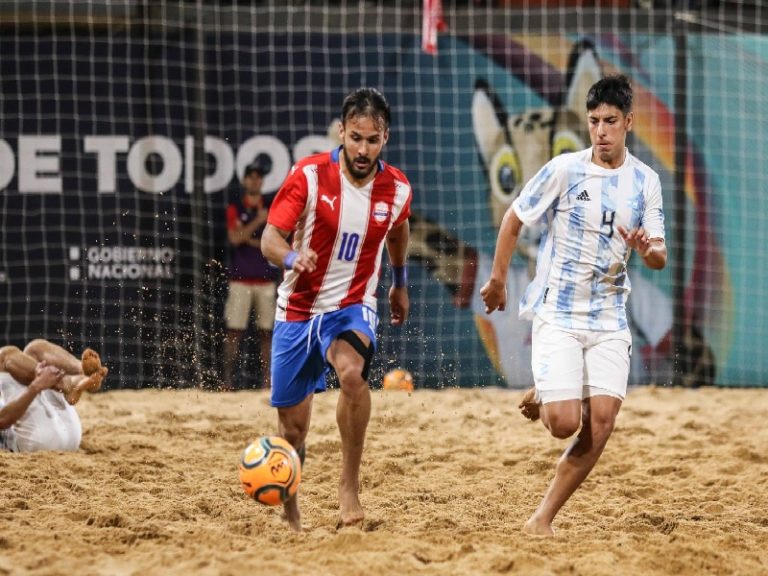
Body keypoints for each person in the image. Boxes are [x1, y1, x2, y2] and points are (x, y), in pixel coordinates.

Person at [480, 74, 667, 536]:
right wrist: (499, 279)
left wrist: (647, 250)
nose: (600, 130)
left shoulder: (646, 182)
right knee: (563, 425)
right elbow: (514, 218)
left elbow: (660, 257)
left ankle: (542, 519)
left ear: (628, 122)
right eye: (593, 122)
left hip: (608, 318)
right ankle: (550, 392)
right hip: (559, 313)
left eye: (609, 121)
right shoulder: (565, 169)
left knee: (600, 424)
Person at [261, 87, 412, 531]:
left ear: (385, 137)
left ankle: (349, 485)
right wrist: (291, 257)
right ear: (342, 132)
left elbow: (399, 230)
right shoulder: (308, 176)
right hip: (297, 308)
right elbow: (270, 239)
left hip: (352, 304)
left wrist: (399, 283)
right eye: (356, 138)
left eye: (373, 140)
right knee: (293, 431)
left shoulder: (398, 188)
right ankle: (292, 514)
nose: (363, 150)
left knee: (352, 374)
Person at [223, 160, 278, 390]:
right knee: (234, 332)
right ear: (245, 180)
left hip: (265, 281)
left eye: (258, 176)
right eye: (251, 176)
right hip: (240, 280)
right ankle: (226, 383)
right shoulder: (236, 207)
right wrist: (258, 222)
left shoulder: (272, 207)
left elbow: (275, 242)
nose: (255, 180)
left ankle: (268, 382)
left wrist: (250, 239)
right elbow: (235, 239)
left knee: (268, 334)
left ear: (262, 181)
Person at [0, 340, 108, 452]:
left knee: (34, 350)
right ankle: (70, 381)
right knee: (4, 355)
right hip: (38, 441)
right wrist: (36, 385)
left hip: (65, 434)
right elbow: (2, 420)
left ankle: (82, 372)